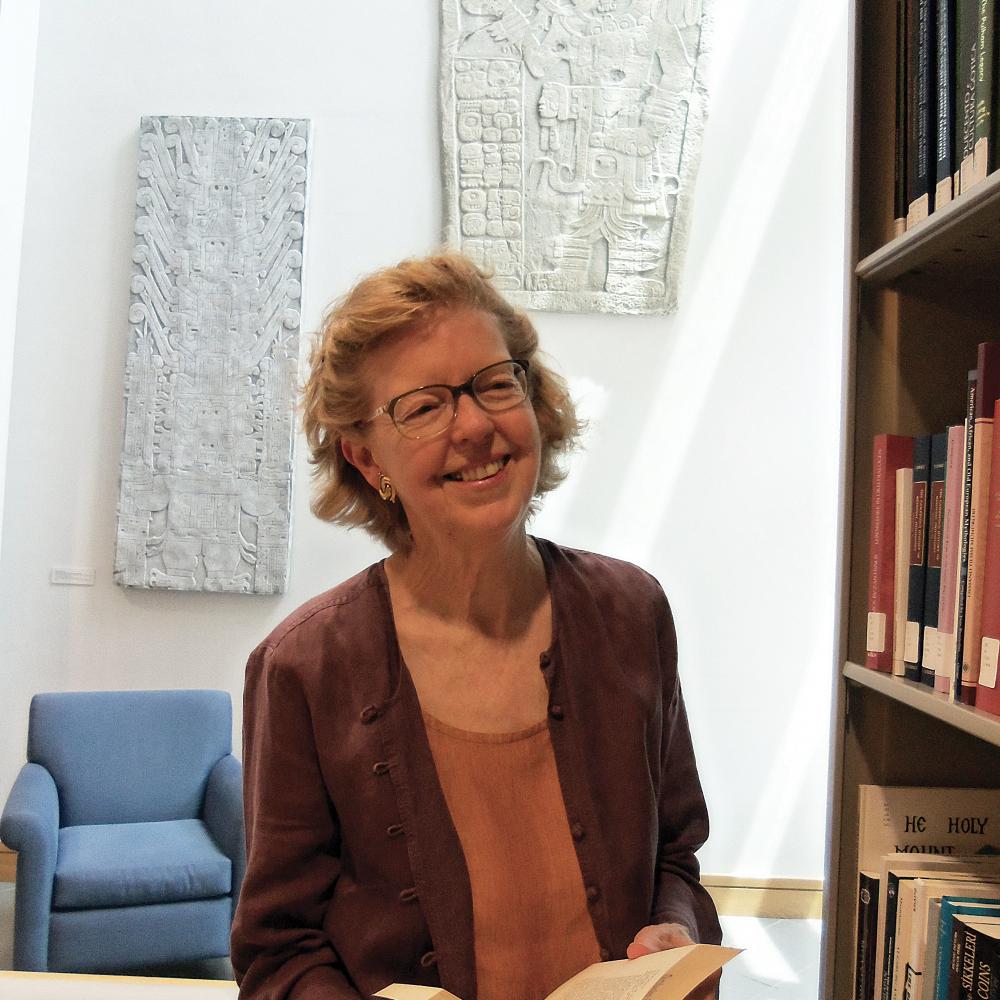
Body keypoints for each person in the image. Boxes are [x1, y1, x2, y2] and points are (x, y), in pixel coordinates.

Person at [230, 252, 723, 1000]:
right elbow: (277, 951)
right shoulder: (303, 667)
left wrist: (674, 927)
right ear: (366, 458)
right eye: (424, 407)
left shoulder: (633, 613)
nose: (475, 426)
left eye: (496, 384)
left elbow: (675, 856)